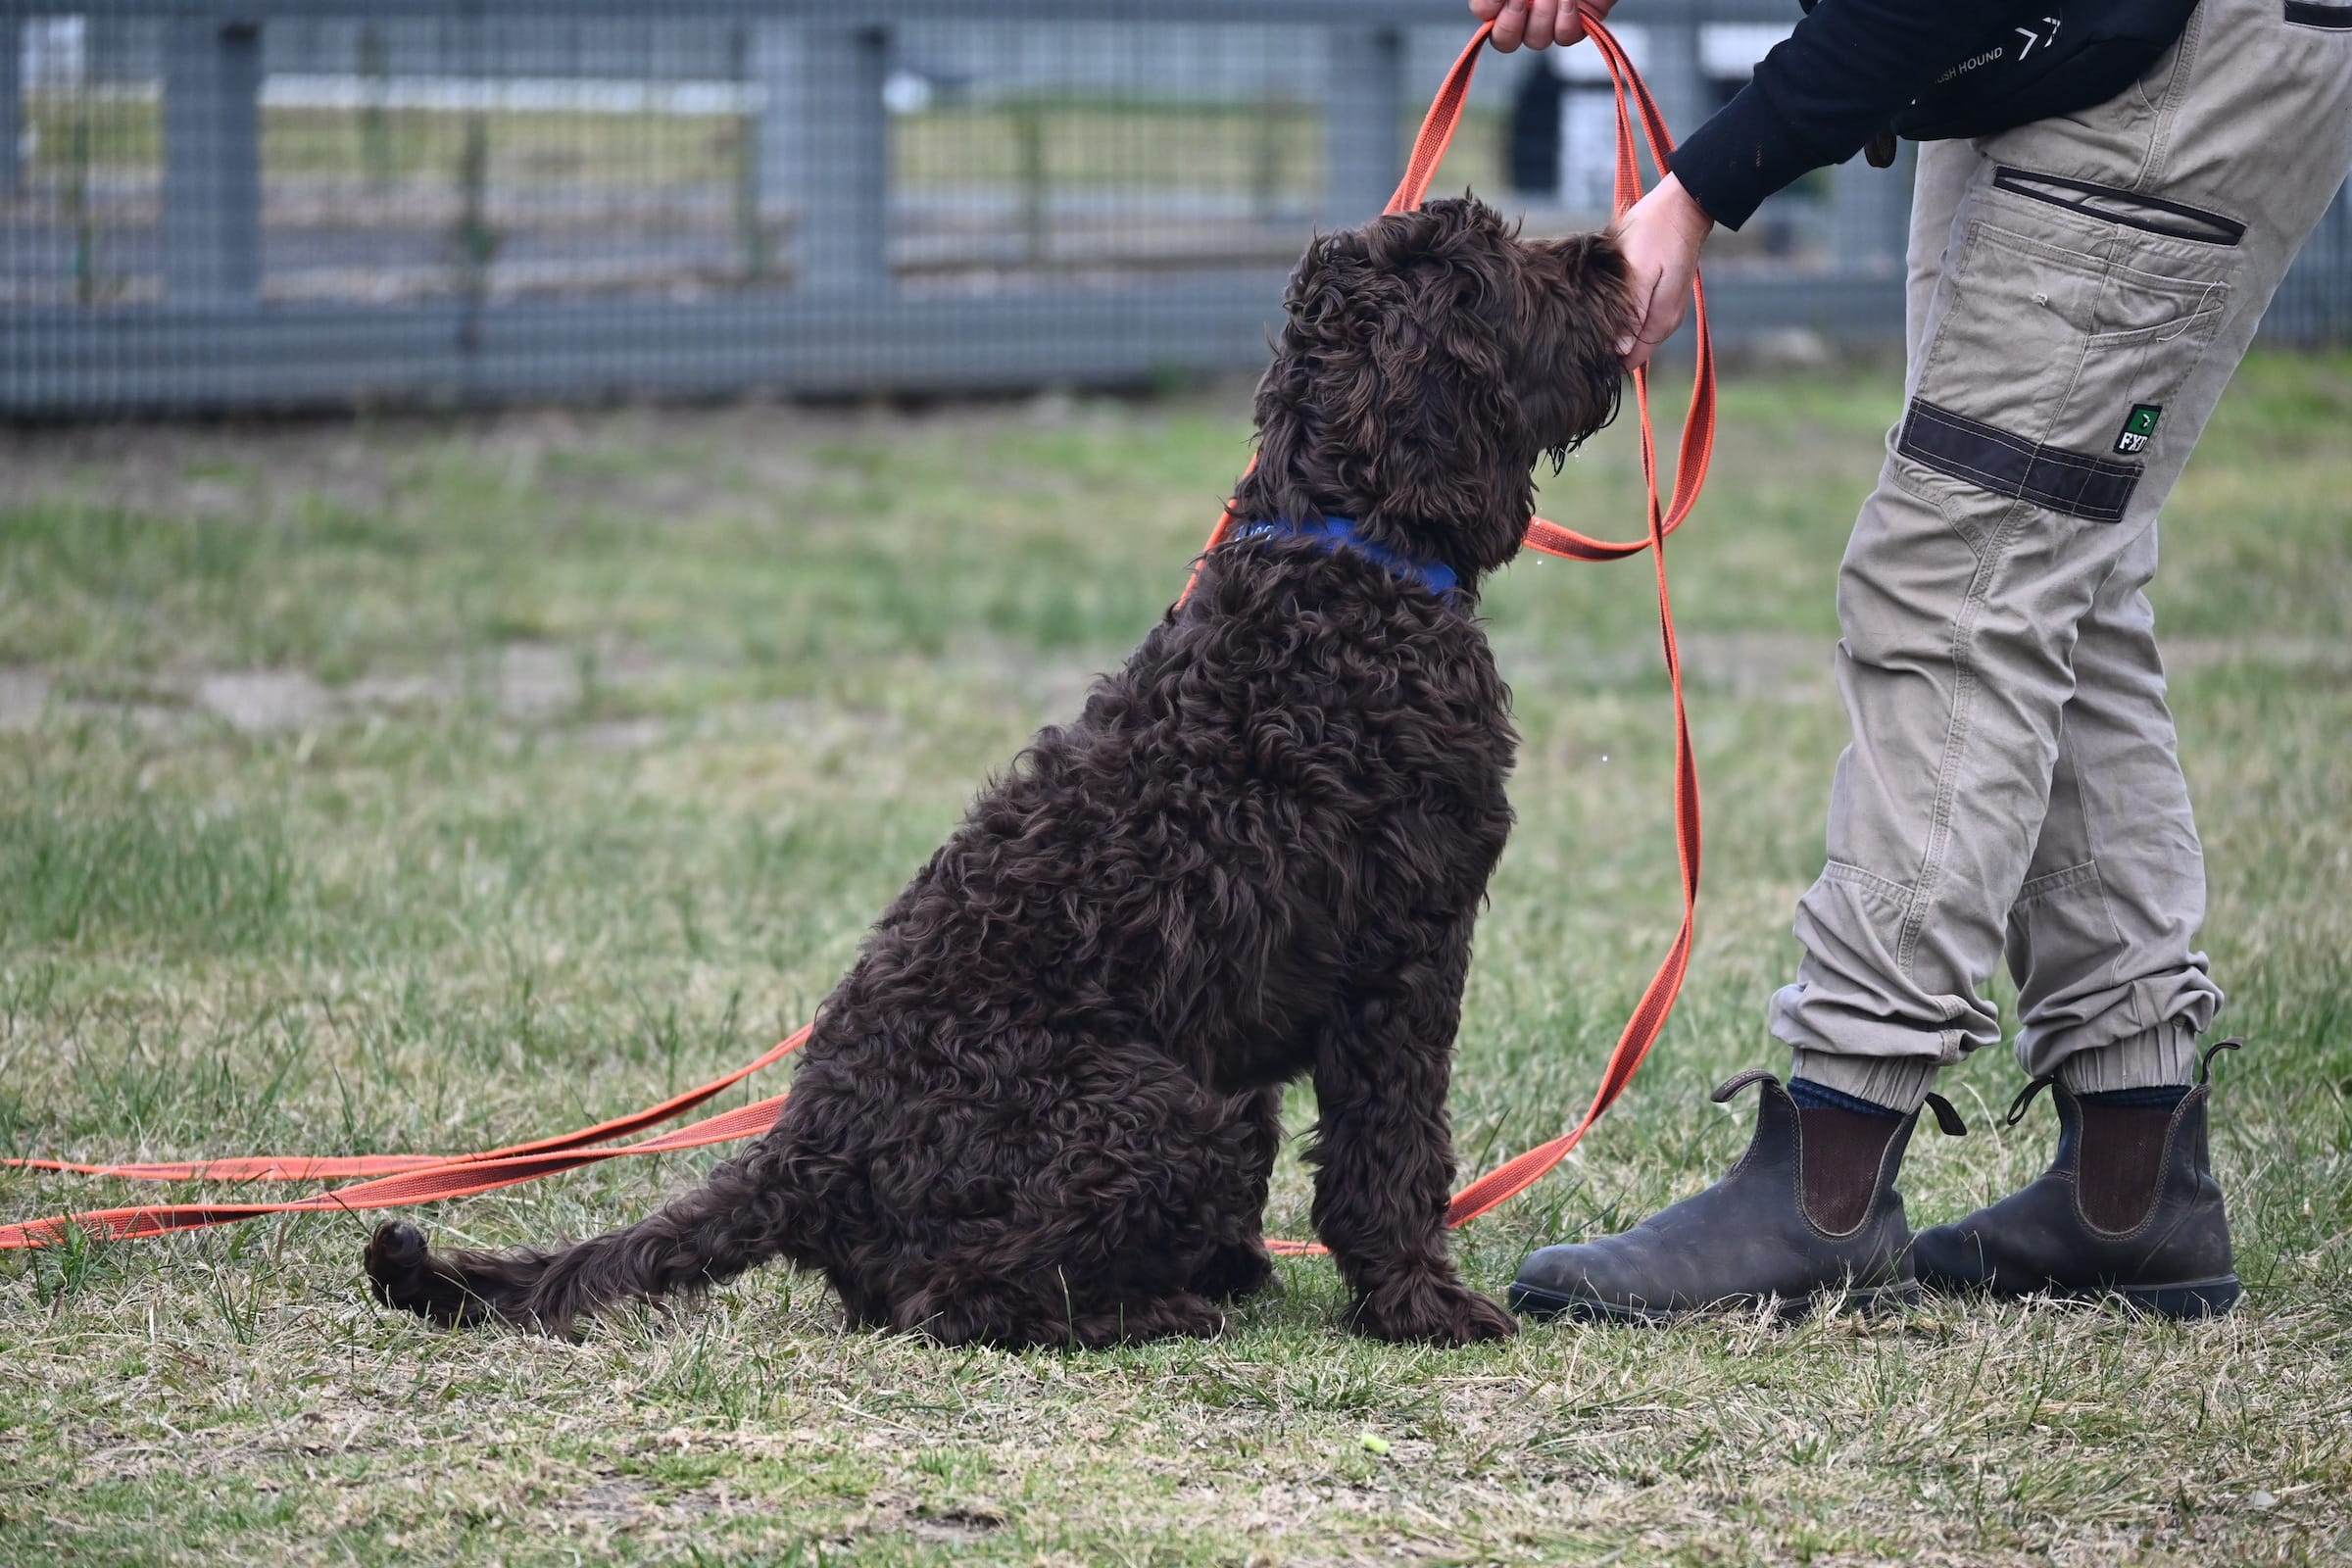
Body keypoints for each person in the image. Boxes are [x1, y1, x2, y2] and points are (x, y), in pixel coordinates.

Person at [1475, 0, 2352, 1322]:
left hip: (2159, 52)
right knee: (2057, 571)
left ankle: (1827, 1182)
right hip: (2060, 50)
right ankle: (2131, 1185)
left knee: (1960, 582)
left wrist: (1700, 190)